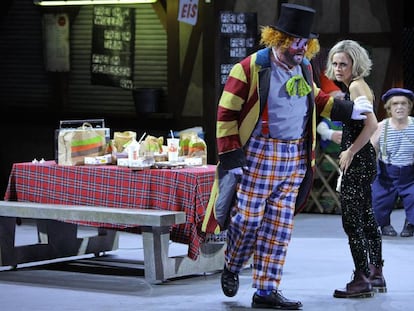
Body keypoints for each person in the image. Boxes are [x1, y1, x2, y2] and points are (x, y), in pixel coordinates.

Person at [201, 4, 374, 310]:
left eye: (304, 43)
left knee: (279, 227)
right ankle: (232, 264)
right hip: (258, 154)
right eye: (293, 42)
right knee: (246, 221)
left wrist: (348, 110)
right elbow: (226, 113)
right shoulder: (251, 67)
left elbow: (317, 98)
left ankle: (266, 290)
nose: (299, 48)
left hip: (294, 156)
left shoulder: (305, 67)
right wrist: (231, 156)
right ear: (277, 38)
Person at [325, 39, 386, 298]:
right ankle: (376, 273)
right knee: (367, 218)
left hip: (357, 162)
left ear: (355, 64)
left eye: (343, 64)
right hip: (363, 161)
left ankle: (361, 278)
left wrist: (351, 150)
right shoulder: (356, 85)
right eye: (335, 63)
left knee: (353, 222)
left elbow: (372, 125)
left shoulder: (356, 87)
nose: (338, 68)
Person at [370, 88, 414, 237]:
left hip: (410, 173)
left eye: (403, 104)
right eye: (395, 104)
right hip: (386, 173)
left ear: (409, 106)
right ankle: (384, 225)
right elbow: (372, 149)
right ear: (389, 107)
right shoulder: (382, 127)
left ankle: (410, 224)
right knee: (379, 199)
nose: (399, 107)